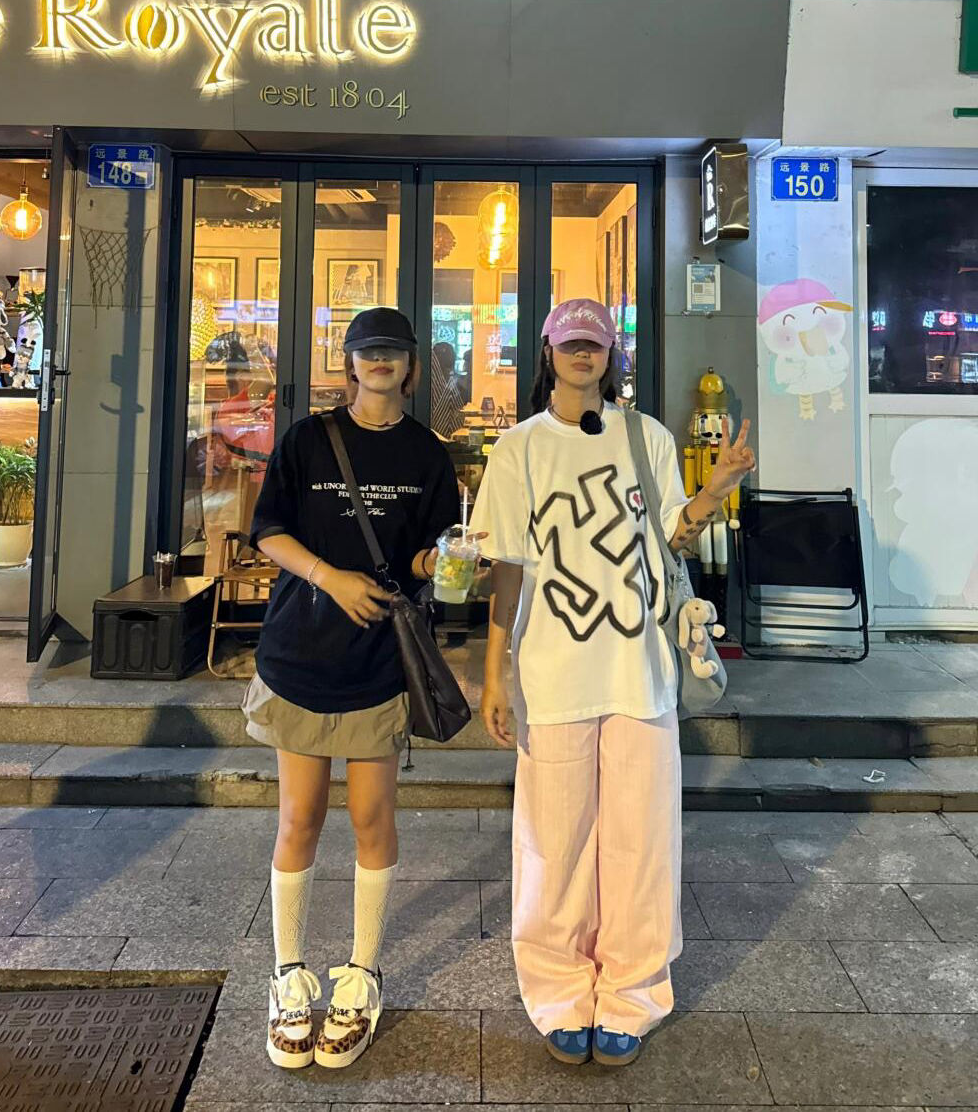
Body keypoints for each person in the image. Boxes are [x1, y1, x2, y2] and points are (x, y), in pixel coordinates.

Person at [470, 297, 755, 1068]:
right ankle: (559, 991)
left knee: (641, 841)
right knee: (553, 845)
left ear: (611, 356)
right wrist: (493, 673)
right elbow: (507, 568)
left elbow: (674, 536)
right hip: (552, 671)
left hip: (640, 669)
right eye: (570, 343)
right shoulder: (519, 449)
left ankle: (632, 992)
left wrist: (717, 487)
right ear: (548, 353)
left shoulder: (646, 437)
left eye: (594, 344)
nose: (582, 354)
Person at [244, 306, 460, 1071]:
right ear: (350, 362)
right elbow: (268, 530)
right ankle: (288, 976)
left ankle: (363, 974)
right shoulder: (308, 439)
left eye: (392, 352)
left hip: (378, 661)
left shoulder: (428, 455)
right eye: (367, 351)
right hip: (301, 653)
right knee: (299, 817)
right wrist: (330, 576)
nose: (379, 362)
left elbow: (430, 553)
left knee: (372, 817)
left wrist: (448, 562)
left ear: (411, 368)